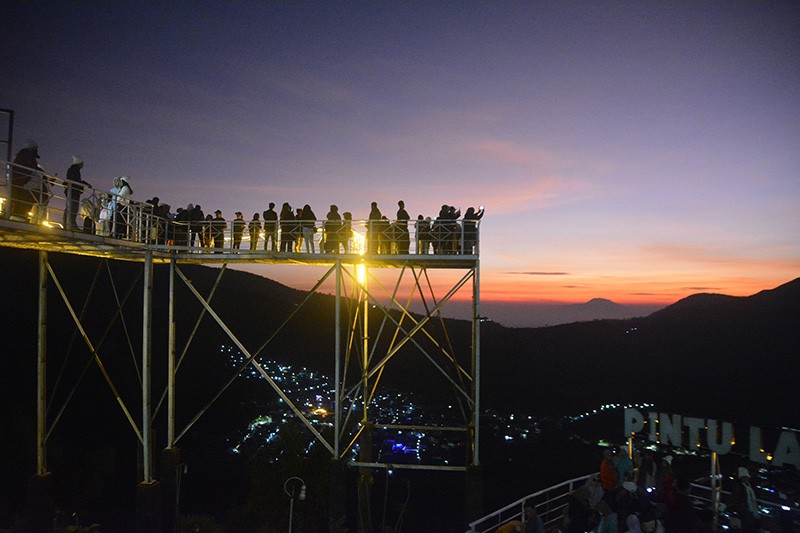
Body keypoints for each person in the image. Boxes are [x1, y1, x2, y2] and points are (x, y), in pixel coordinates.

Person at [9, 140, 43, 220]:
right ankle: (21, 215)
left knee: (19, 198)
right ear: (32, 149)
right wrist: (43, 174)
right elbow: (32, 167)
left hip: (19, 181)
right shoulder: (27, 155)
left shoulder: (21, 155)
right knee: (30, 195)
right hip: (24, 181)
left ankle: (16, 215)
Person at [63, 155, 92, 230]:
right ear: (79, 163)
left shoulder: (74, 170)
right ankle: (70, 224)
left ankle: (69, 223)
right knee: (72, 208)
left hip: (73, 191)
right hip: (73, 191)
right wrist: (84, 184)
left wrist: (84, 184)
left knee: (71, 207)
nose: (83, 165)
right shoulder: (73, 170)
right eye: (82, 163)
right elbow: (75, 181)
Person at [728, 467, 760, 533]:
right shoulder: (740, 486)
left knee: (749, 525)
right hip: (744, 509)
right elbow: (736, 496)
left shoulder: (748, 485)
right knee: (747, 525)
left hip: (749, 508)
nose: (746, 478)